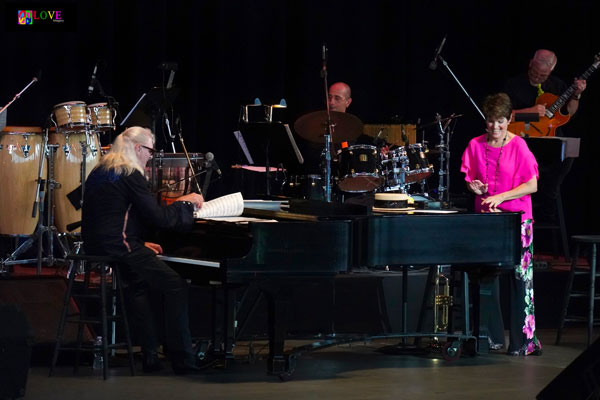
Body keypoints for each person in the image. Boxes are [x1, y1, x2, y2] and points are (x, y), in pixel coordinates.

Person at [81, 126, 206, 374]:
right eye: (150, 150)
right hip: (118, 246)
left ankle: (151, 356)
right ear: (138, 148)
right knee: (175, 285)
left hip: (98, 243)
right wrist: (186, 203)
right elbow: (159, 217)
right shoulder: (130, 173)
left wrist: (137, 242)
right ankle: (183, 360)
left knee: (137, 283)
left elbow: (113, 216)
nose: (151, 156)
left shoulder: (101, 169)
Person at [461, 93, 541, 356]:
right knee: (487, 278)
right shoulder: (475, 145)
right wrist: (475, 187)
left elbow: (532, 184)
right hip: (486, 220)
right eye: (490, 122)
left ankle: (523, 342)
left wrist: (501, 196)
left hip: (517, 220)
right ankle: (491, 337)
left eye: (500, 122)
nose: (495, 128)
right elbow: (470, 179)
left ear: (509, 120)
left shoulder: (519, 147)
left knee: (521, 278)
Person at [504, 49, 587, 123]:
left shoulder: (558, 85)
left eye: (543, 75)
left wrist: (575, 95)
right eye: (534, 72)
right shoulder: (512, 84)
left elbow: (568, 115)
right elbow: (502, 117)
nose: (537, 77)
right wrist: (529, 112)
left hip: (550, 134)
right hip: (522, 133)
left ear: (551, 71)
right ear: (531, 63)